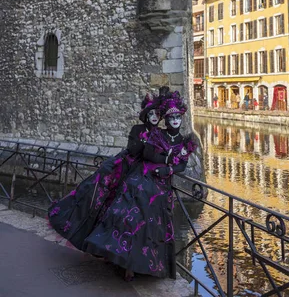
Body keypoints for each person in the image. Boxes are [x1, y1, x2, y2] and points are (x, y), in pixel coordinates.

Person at [84, 91, 197, 280]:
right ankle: (125, 262)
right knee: (132, 217)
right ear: (167, 120)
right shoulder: (157, 134)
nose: (175, 120)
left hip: (162, 187)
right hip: (143, 179)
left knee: (153, 226)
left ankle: (148, 265)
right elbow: (148, 154)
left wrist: (168, 170)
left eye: (178, 117)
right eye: (172, 117)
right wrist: (168, 158)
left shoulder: (184, 142)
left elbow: (182, 165)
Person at [47, 91, 162, 269]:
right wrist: (147, 143)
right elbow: (132, 149)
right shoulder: (137, 130)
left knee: (133, 216)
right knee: (105, 204)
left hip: (143, 175)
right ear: (146, 115)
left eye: (157, 114)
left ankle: (129, 259)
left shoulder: (160, 134)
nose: (154, 117)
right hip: (124, 170)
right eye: (151, 113)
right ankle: (103, 247)